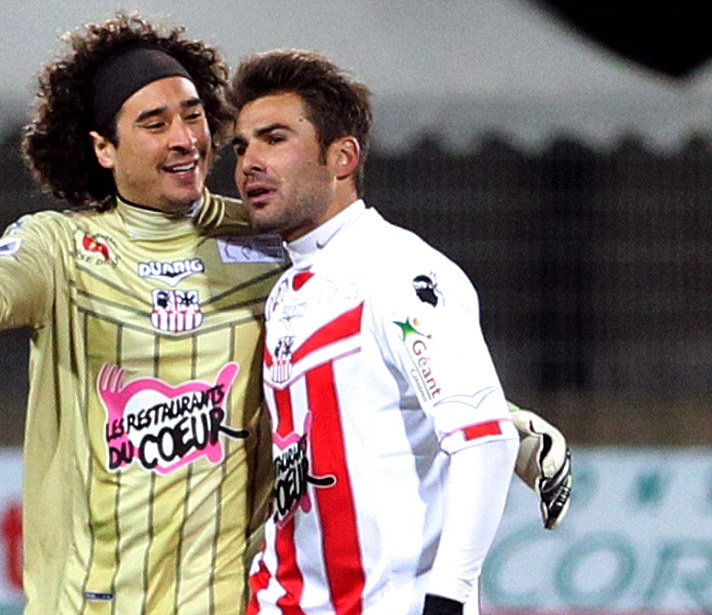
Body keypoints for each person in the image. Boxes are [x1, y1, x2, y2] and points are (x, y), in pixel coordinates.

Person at [0, 13, 570, 615]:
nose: (186, 139)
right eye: (155, 124)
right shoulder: (61, 247)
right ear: (103, 148)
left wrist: (500, 422)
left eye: (193, 116)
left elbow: (372, 330)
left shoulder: (265, 239)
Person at [227, 49, 552, 614]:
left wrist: (447, 598)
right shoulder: (285, 290)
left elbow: (484, 440)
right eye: (241, 146)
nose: (250, 162)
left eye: (274, 139)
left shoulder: (399, 271)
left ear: (342, 157)